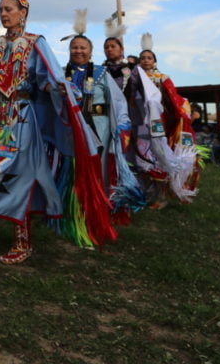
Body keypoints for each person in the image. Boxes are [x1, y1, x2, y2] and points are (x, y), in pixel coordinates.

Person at [0, 0, 114, 261]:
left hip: (21, 121)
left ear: (23, 12)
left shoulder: (34, 42)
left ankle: (23, 241)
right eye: (0, 10)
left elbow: (52, 76)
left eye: (8, 9)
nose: (3, 14)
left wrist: (61, 93)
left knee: (21, 175)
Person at [62, 17, 144, 225]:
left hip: (99, 128)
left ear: (90, 52)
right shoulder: (62, 74)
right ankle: (73, 210)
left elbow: (118, 102)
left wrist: (122, 127)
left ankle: (98, 209)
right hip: (71, 129)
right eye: (74, 47)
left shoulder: (101, 73)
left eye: (82, 47)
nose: (78, 51)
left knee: (100, 169)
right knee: (72, 168)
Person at [133, 34, 200, 204]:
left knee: (159, 156)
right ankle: (146, 191)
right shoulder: (135, 78)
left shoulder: (163, 78)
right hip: (140, 121)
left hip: (160, 121)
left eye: (149, 58)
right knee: (141, 155)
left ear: (154, 61)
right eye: (142, 58)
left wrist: (183, 114)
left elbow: (174, 98)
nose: (146, 60)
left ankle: (161, 195)